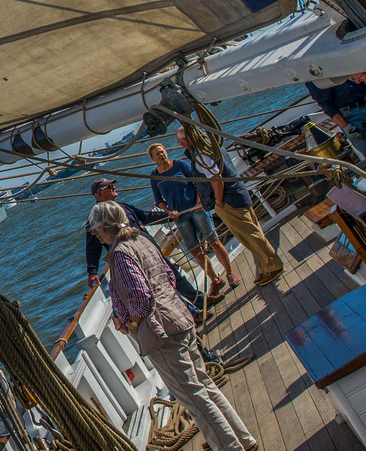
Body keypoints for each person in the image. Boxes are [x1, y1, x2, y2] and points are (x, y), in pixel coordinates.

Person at [88, 201, 260, 451]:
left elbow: (142, 300)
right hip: (179, 318)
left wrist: (128, 322)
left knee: (192, 395)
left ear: (106, 228)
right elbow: (168, 275)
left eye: (96, 230)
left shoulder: (120, 254)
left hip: (161, 332)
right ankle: (241, 440)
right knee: (203, 383)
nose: (95, 235)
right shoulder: (142, 240)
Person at [83, 177, 212, 317]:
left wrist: (167, 215)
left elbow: (145, 216)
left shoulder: (122, 206)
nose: (113, 187)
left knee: (175, 278)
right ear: (99, 194)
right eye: (109, 187)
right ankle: (194, 314)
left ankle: (201, 303)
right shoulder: (95, 219)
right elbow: (92, 248)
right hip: (134, 260)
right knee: (163, 287)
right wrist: (93, 271)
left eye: (112, 185)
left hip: (150, 251)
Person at [175, 128, 286, 286]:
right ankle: (265, 267)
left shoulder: (201, 155)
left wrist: (219, 201)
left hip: (228, 199)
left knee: (250, 235)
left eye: (181, 141)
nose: (181, 145)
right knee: (252, 231)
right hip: (238, 192)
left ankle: (274, 266)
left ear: (186, 141)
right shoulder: (212, 145)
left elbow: (216, 178)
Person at [147, 142, 236, 300]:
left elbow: (197, 181)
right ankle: (215, 280)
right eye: (157, 154)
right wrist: (169, 212)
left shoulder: (180, 165)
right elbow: (159, 201)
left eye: (162, 151)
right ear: (153, 159)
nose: (162, 155)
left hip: (197, 209)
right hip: (180, 217)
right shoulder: (155, 177)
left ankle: (230, 274)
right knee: (195, 250)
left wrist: (198, 202)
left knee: (213, 241)